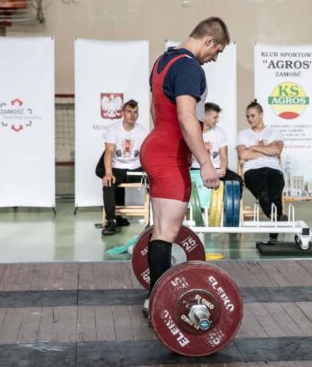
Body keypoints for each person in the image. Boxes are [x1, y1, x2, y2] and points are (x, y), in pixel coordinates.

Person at [140, 17, 230, 314]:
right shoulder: (190, 66)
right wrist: (205, 162)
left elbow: (157, 110)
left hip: (157, 147)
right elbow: (186, 116)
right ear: (208, 41)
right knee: (166, 231)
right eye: (216, 51)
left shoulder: (162, 61)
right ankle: (157, 303)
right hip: (169, 155)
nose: (215, 59)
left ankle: (154, 297)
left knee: (161, 229)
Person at [237, 100, 286, 245]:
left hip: (274, 169)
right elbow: (243, 155)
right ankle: (277, 220)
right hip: (252, 171)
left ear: (261, 115)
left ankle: (274, 235)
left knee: (275, 195)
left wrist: (254, 148)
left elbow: (276, 150)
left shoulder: (274, 132)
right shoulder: (243, 134)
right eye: (247, 116)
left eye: (252, 116)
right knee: (264, 193)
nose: (250, 119)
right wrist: (267, 151)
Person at [98, 99, 148, 236]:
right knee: (108, 181)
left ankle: (152, 221)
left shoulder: (143, 131)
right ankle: (111, 221)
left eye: (135, 112)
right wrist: (108, 173)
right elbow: (108, 151)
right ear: (123, 113)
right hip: (118, 167)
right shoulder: (113, 129)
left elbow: (148, 153)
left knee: (156, 180)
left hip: (136, 168)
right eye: (129, 112)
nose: (132, 115)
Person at [191, 102, 244, 193]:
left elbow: (224, 158)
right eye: (215, 117)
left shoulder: (220, 132)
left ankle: (227, 206)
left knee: (237, 181)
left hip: (217, 169)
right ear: (205, 116)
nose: (217, 120)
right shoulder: (192, 132)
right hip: (197, 169)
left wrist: (222, 170)